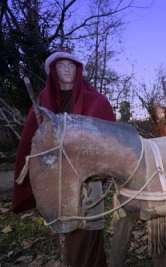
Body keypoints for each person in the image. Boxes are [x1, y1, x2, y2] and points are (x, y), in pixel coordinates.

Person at [12, 51, 115, 266]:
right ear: (53, 70)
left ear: (78, 70)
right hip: (57, 179)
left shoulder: (95, 100)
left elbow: (108, 135)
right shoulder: (43, 102)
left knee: (89, 229)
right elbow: (31, 142)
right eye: (62, 65)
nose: (67, 69)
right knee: (68, 230)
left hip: (89, 177)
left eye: (71, 65)